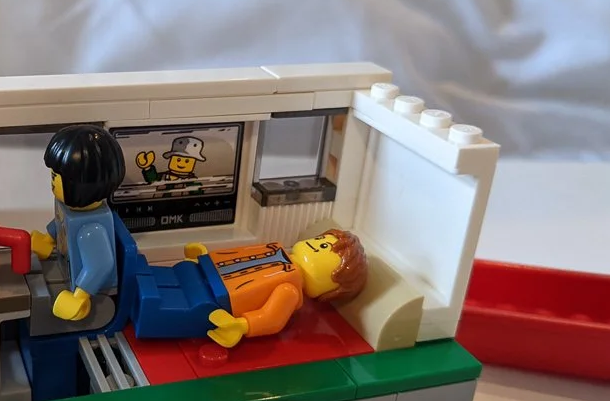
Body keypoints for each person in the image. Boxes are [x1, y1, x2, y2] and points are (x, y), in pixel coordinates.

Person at [133, 230, 368, 348]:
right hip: (201, 274)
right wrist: (205, 258)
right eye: (321, 241)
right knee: (167, 274)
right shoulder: (278, 252)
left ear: (331, 285)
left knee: (159, 301)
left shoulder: (289, 289)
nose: (317, 246)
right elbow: (239, 257)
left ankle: (142, 306)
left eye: (326, 248)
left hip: (216, 301)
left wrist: (242, 325)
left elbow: (272, 318)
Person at [30, 125, 127, 321]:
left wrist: (80, 297)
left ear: (80, 184)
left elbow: (100, 265)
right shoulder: (69, 210)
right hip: (66, 269)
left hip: (96, 293)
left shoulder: (91, 229)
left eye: (56, 177)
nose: (52, 181)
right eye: (53, 175)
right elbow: (61, 222)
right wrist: (48, 239)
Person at [135, 135, 205, 182]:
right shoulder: (164, 176)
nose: (181, 163)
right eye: (178, 160)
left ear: (193, 163)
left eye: (187, 161)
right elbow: (152, 179)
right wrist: (147, 167)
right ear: (171, 159)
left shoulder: (192, 180)